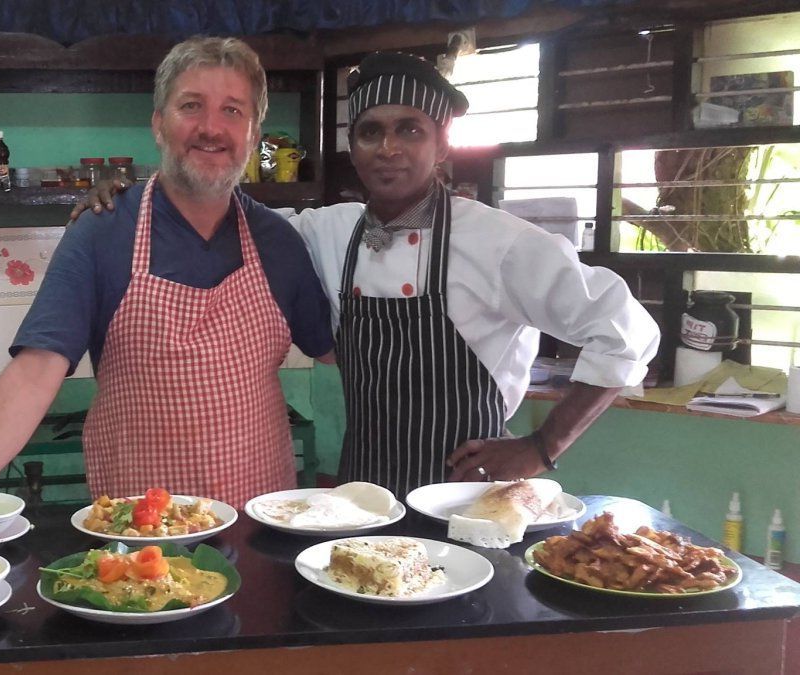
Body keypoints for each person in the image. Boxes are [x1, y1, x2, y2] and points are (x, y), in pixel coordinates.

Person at [70, 52, 660, 498]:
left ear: (442, 145)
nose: (388, 148)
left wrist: (541, 447)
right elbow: (217, 214)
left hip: (469, 495)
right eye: (371, 131)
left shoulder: (501, 243)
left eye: (410, 130)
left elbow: (626, 332)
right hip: (362, 499)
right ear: (352, 145)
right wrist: (129, 197)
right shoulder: (325, 231)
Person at [0, 37, 333, 530]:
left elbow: (341, 353)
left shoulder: (279, 242)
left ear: (253, 134)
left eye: (232, 110)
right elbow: (35, 373)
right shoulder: (103, 231)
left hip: (259, 528)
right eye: (191, 106)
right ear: (158, 124)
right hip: (140, 538)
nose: (211, 127)